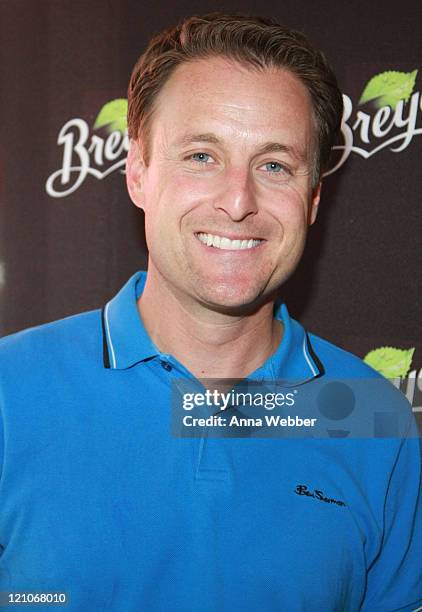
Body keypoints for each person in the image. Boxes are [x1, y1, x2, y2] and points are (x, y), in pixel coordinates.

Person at [0, 12, 421, 611]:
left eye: (275, 165)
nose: (238, 201)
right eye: (202, 156)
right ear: (138, 171)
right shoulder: (9, 394)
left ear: (313, 199)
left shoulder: (372, 415)